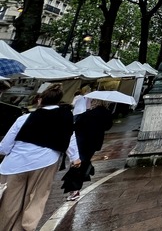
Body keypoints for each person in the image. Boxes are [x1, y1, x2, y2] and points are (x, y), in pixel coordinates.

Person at [0, 83, 80, 230]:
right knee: (36, 199)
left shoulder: (24, 118)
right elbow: (70, 138)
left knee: (9, 201)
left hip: (14, 164)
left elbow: (4, 147)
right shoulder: (65, 117)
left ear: (39, 100)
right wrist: (75, 158)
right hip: (45, 162)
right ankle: (25, 228)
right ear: (58, 101)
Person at [61, 99, 113, 201]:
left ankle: (74, 189)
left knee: (78, 163)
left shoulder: (87, 114)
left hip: (82, 141)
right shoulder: (107, 114)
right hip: (94, 143)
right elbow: (108, 127)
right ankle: (76, 186)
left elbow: (76, 127)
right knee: (83, 161)